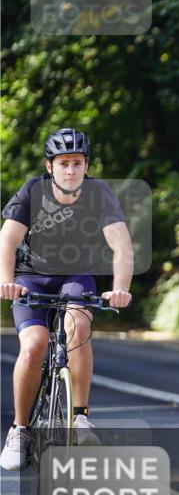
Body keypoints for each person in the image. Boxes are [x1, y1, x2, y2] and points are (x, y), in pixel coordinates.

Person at [0, 128, 133, 471]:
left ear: (86, 166)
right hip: (32, 278)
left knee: (78, 326)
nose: (71, 170)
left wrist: (120, 289)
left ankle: (80, 417)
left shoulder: (99, 194)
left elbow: (121, 246)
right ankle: (20, 429)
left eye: (77, 163)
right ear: (50, 166)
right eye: (64, 163)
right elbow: (8, 240)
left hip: (76, 276)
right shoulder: (32, 191)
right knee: (34, 344)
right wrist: (6, 281)